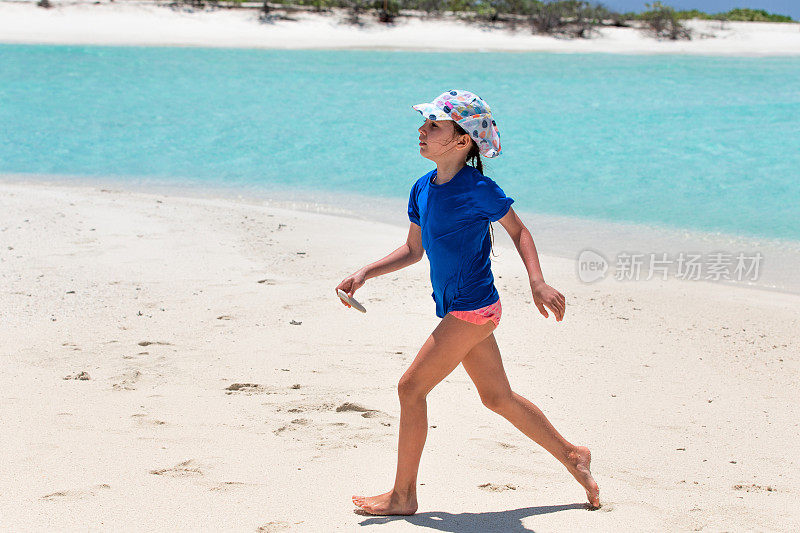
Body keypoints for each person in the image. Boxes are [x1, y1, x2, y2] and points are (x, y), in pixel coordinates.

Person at [335, 89, 600, 515]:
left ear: (461, 141)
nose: (421, 131)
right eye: (424, 123)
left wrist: (538, 282)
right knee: (497, 398)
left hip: (473, 309)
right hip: (466, 309)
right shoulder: (421, 188)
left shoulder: (478, 188)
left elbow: (519, 230)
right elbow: (413, 250)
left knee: (410, 388)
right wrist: (366, 272)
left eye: (433, 125)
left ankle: (403, 496)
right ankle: (573, 454)